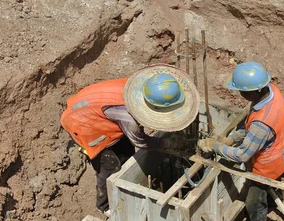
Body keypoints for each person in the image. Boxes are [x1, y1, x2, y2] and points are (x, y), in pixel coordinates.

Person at [61, 64, 199, 213]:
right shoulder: (128, 118)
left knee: (125, 152)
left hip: (94, 105)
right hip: (82, 123)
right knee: (110, 165)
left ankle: (123, 182)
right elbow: (141, 141)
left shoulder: (144, 86)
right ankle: (105, 206)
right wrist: (167, 142)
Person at [198, 61, 284, 221]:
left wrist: (216, 146)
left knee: (253, 200)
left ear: (252, 92)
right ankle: (271, 202)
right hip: (283, 149)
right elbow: (249, 125)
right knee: (262, 196)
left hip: (268, 164)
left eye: (241, 91)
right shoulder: (271, 91)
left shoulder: (262, 123)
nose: (239, 95)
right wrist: (232, 138)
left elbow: (242, 155)